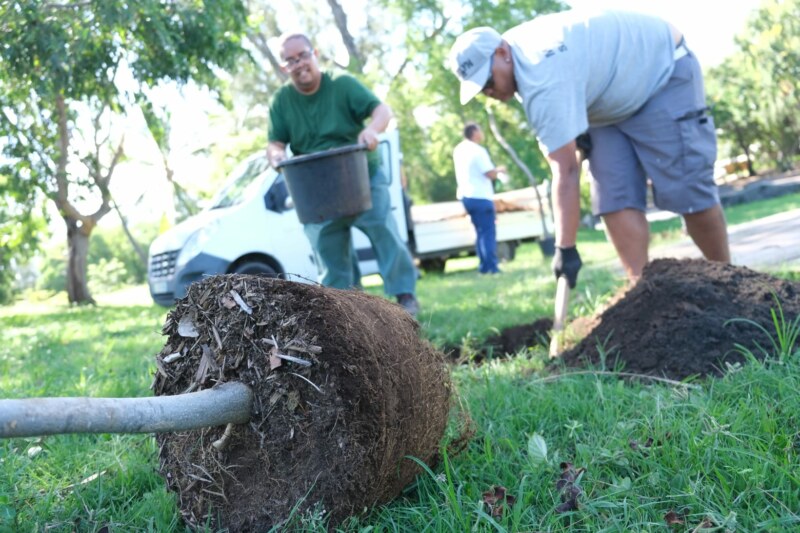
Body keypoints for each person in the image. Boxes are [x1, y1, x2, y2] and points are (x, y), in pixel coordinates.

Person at [448, 10, 730, 288]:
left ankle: (730, 283)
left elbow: (566, 171)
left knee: (688, 191)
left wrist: (565, 248)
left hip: (660, 74)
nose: (488, 93)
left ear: (501, 52)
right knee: (613, 198)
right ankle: (643, 295)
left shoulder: (540, 73)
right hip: (605, 104)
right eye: (480, 90)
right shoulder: (520, 64)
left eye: (487, 81)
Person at [267, 33, 419, 316]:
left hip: (360, 175)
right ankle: (346, 312)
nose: (298, 64)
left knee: (383, 230)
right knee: (329, 249)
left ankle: (405, 296)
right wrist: (276, 156)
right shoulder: (282, 101)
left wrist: (372, 129)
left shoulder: (342, 84)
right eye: (290, 60)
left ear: (315, 53)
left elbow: (382, 111)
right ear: (283, 68)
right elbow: (275, 143)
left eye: (302, 55)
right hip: (317, 187)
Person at [452, 122, 507, 274]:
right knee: (488, 232)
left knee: (479, 232)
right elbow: (489, 173)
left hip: (466, 196)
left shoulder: (458, 149)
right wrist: (499, 170)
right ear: (474, 133)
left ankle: (483, 266)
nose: (482, 133)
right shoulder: (477, 150)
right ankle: (491, 267)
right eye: (480, 130)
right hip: (480, 195)